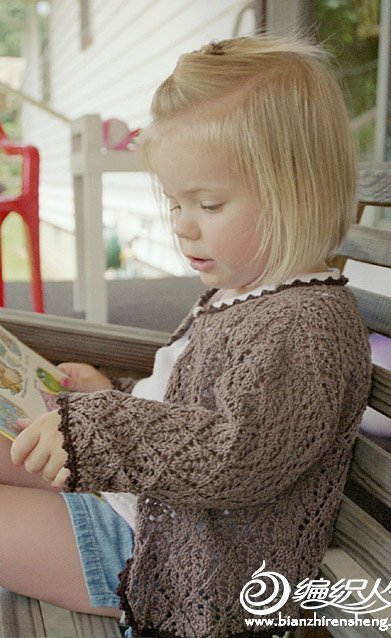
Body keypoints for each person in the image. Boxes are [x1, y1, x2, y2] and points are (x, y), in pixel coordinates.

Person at [1, 35, 372, 638]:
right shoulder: (247, 297)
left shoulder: (307, 326)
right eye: (176, 204)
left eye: (209, 203)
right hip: (141, 503)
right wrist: (112, 391)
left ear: (297, 192)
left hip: (171, 556)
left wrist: (101, 424)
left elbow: (237, 453)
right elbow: (184, 407)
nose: (182, 227)